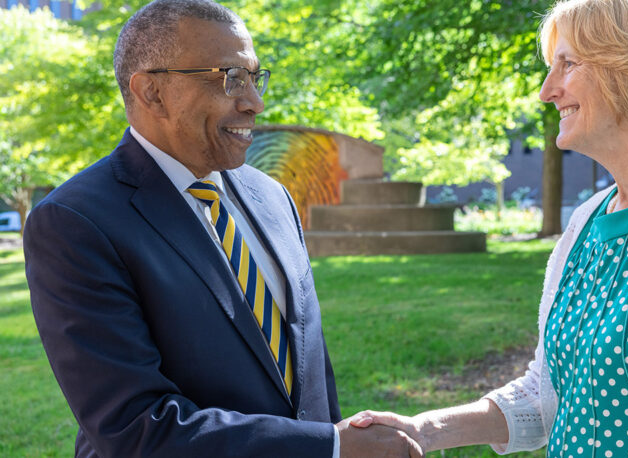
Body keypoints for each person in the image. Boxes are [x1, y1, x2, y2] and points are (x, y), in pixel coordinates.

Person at [350, 0, 628, 456]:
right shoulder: (587, 220)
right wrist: (425, 428)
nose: (547, 91)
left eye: (567, 64)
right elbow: (550, 392)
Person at [23, 0, 422, 456]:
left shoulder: (272, 196)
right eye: (230, 78)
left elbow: (309, 370)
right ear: (152, 92)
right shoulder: (74, 222)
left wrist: (332, 439)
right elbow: (135, 428)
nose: (255, 102)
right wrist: (328, 447)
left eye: (255, 77)